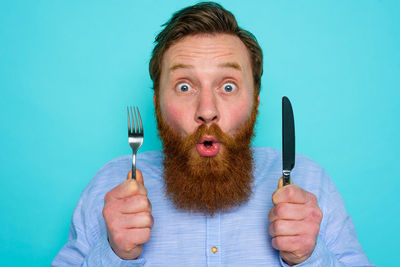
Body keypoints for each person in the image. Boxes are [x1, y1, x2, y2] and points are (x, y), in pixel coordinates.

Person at [52, 2, 374, 266]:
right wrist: (113, 254)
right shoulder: (112, 186)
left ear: (256, 101)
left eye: (228, 86)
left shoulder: (309, 180)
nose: (207, 110)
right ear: (156, 102)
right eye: (184, 86)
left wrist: (309, 257)